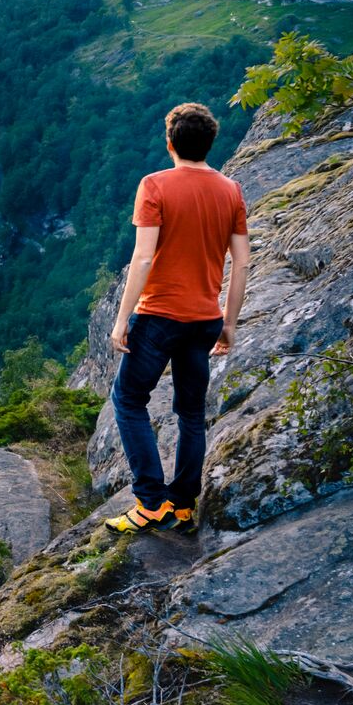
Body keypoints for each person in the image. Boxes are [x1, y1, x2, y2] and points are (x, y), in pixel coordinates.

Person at [104, 103, 250, 536]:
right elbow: (241, 265)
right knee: (190, 413)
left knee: (129, 400)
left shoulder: (155, 185)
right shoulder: (231, 190)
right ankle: (183, 506)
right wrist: (229, 322)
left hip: (160, 316)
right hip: (204, 318)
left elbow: (144, 256)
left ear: (170, 143)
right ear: (210, 143)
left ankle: (151, 503)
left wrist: (121, 318)